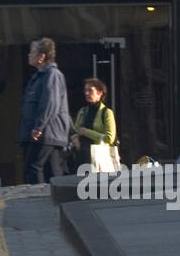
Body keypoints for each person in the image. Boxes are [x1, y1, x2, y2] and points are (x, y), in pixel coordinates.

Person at [18, 37, 71, 184]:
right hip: (47, 133)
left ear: (42, 56)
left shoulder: (52, 75)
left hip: (46, 132)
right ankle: (55, 199)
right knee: (53, 171)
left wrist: (39, 126)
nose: (29, 55)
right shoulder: (39, 77)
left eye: (32, 52)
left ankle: (37, 198)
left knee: (33, 166)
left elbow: (50, 103)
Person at [71, 77, 118, 170]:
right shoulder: (82, 111)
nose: (86, 93)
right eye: (85, 90)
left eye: (90, 90)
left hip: (99, 157)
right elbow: (75, 130)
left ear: (100, 93)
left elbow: (109, 138)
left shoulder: (106, 112)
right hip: (81, 155)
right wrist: (75, 139)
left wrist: (87, 132)